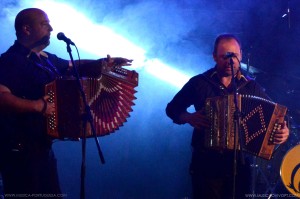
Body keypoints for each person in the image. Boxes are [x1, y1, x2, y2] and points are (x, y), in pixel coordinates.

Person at [0, 8, 132, 197]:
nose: (51, 28)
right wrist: (38, 106)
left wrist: (102, 64)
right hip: (19, 153)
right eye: (45, 24)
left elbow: (73, 66)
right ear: (27, 29)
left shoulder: (46, 59)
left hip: (43, 148)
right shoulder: (9, 61)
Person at [165, 33, 290, 199]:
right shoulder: (199, 83)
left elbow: (276, 116)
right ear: (214, 57)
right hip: (206, 165)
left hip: (240, 166)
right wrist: (188, 117)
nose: (230, 61)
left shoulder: (250, 86)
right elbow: (172, 109)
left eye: (235, 56)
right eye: (225, 56)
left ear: (241, 56)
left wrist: (284, 132)